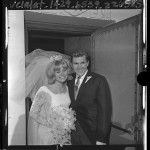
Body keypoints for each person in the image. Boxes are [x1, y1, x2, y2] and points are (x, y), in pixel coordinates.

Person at [26, 49, 90, 145]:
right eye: (58, 71)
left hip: (64, 134)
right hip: (47, 135)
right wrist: (52, 122)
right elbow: (33, 114)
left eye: (64, 70)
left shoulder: (68, 89)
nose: (62, 74)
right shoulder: (44, 90)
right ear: (53, 73)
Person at [67, 51, 112, 145]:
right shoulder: (68, 80)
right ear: (72, 64)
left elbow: (105, 111)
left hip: (91, 133)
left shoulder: (99, 80)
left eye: (82, 63)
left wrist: (101, 138)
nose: (79, 66)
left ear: (87, 63)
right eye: (76, 63)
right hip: (71, 134)